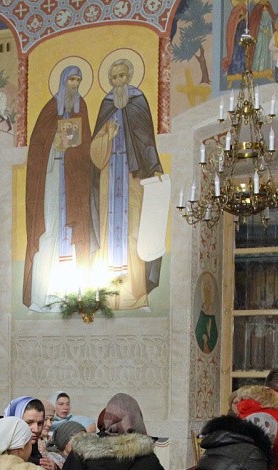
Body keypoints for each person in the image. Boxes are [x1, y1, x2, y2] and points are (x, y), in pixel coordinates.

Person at [90, 58, 163, 309]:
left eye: (122, 76)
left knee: (135, 230)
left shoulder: (138, 100)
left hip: (134, 175)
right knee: (107, 230)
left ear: (129, 76)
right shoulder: (106, 105)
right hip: (109, 178)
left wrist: (154, 167)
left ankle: (137, 293)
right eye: (114, 78)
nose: (118, 81)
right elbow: (95, 153)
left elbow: (146, 138)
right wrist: (106, 137)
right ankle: (107, 297)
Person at [23, 65, 94, 310]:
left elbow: (87, 147)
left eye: (78, 80)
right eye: (71, 80)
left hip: (74, 180)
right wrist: (53, 141)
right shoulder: (49, 108)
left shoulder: (82, 108)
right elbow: (37, 147)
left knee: (74, 231)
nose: (74, 85)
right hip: (52, 176)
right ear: (63, 81)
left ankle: (74, 295)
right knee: (49, 228)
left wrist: (75, 150)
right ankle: (42, 295)